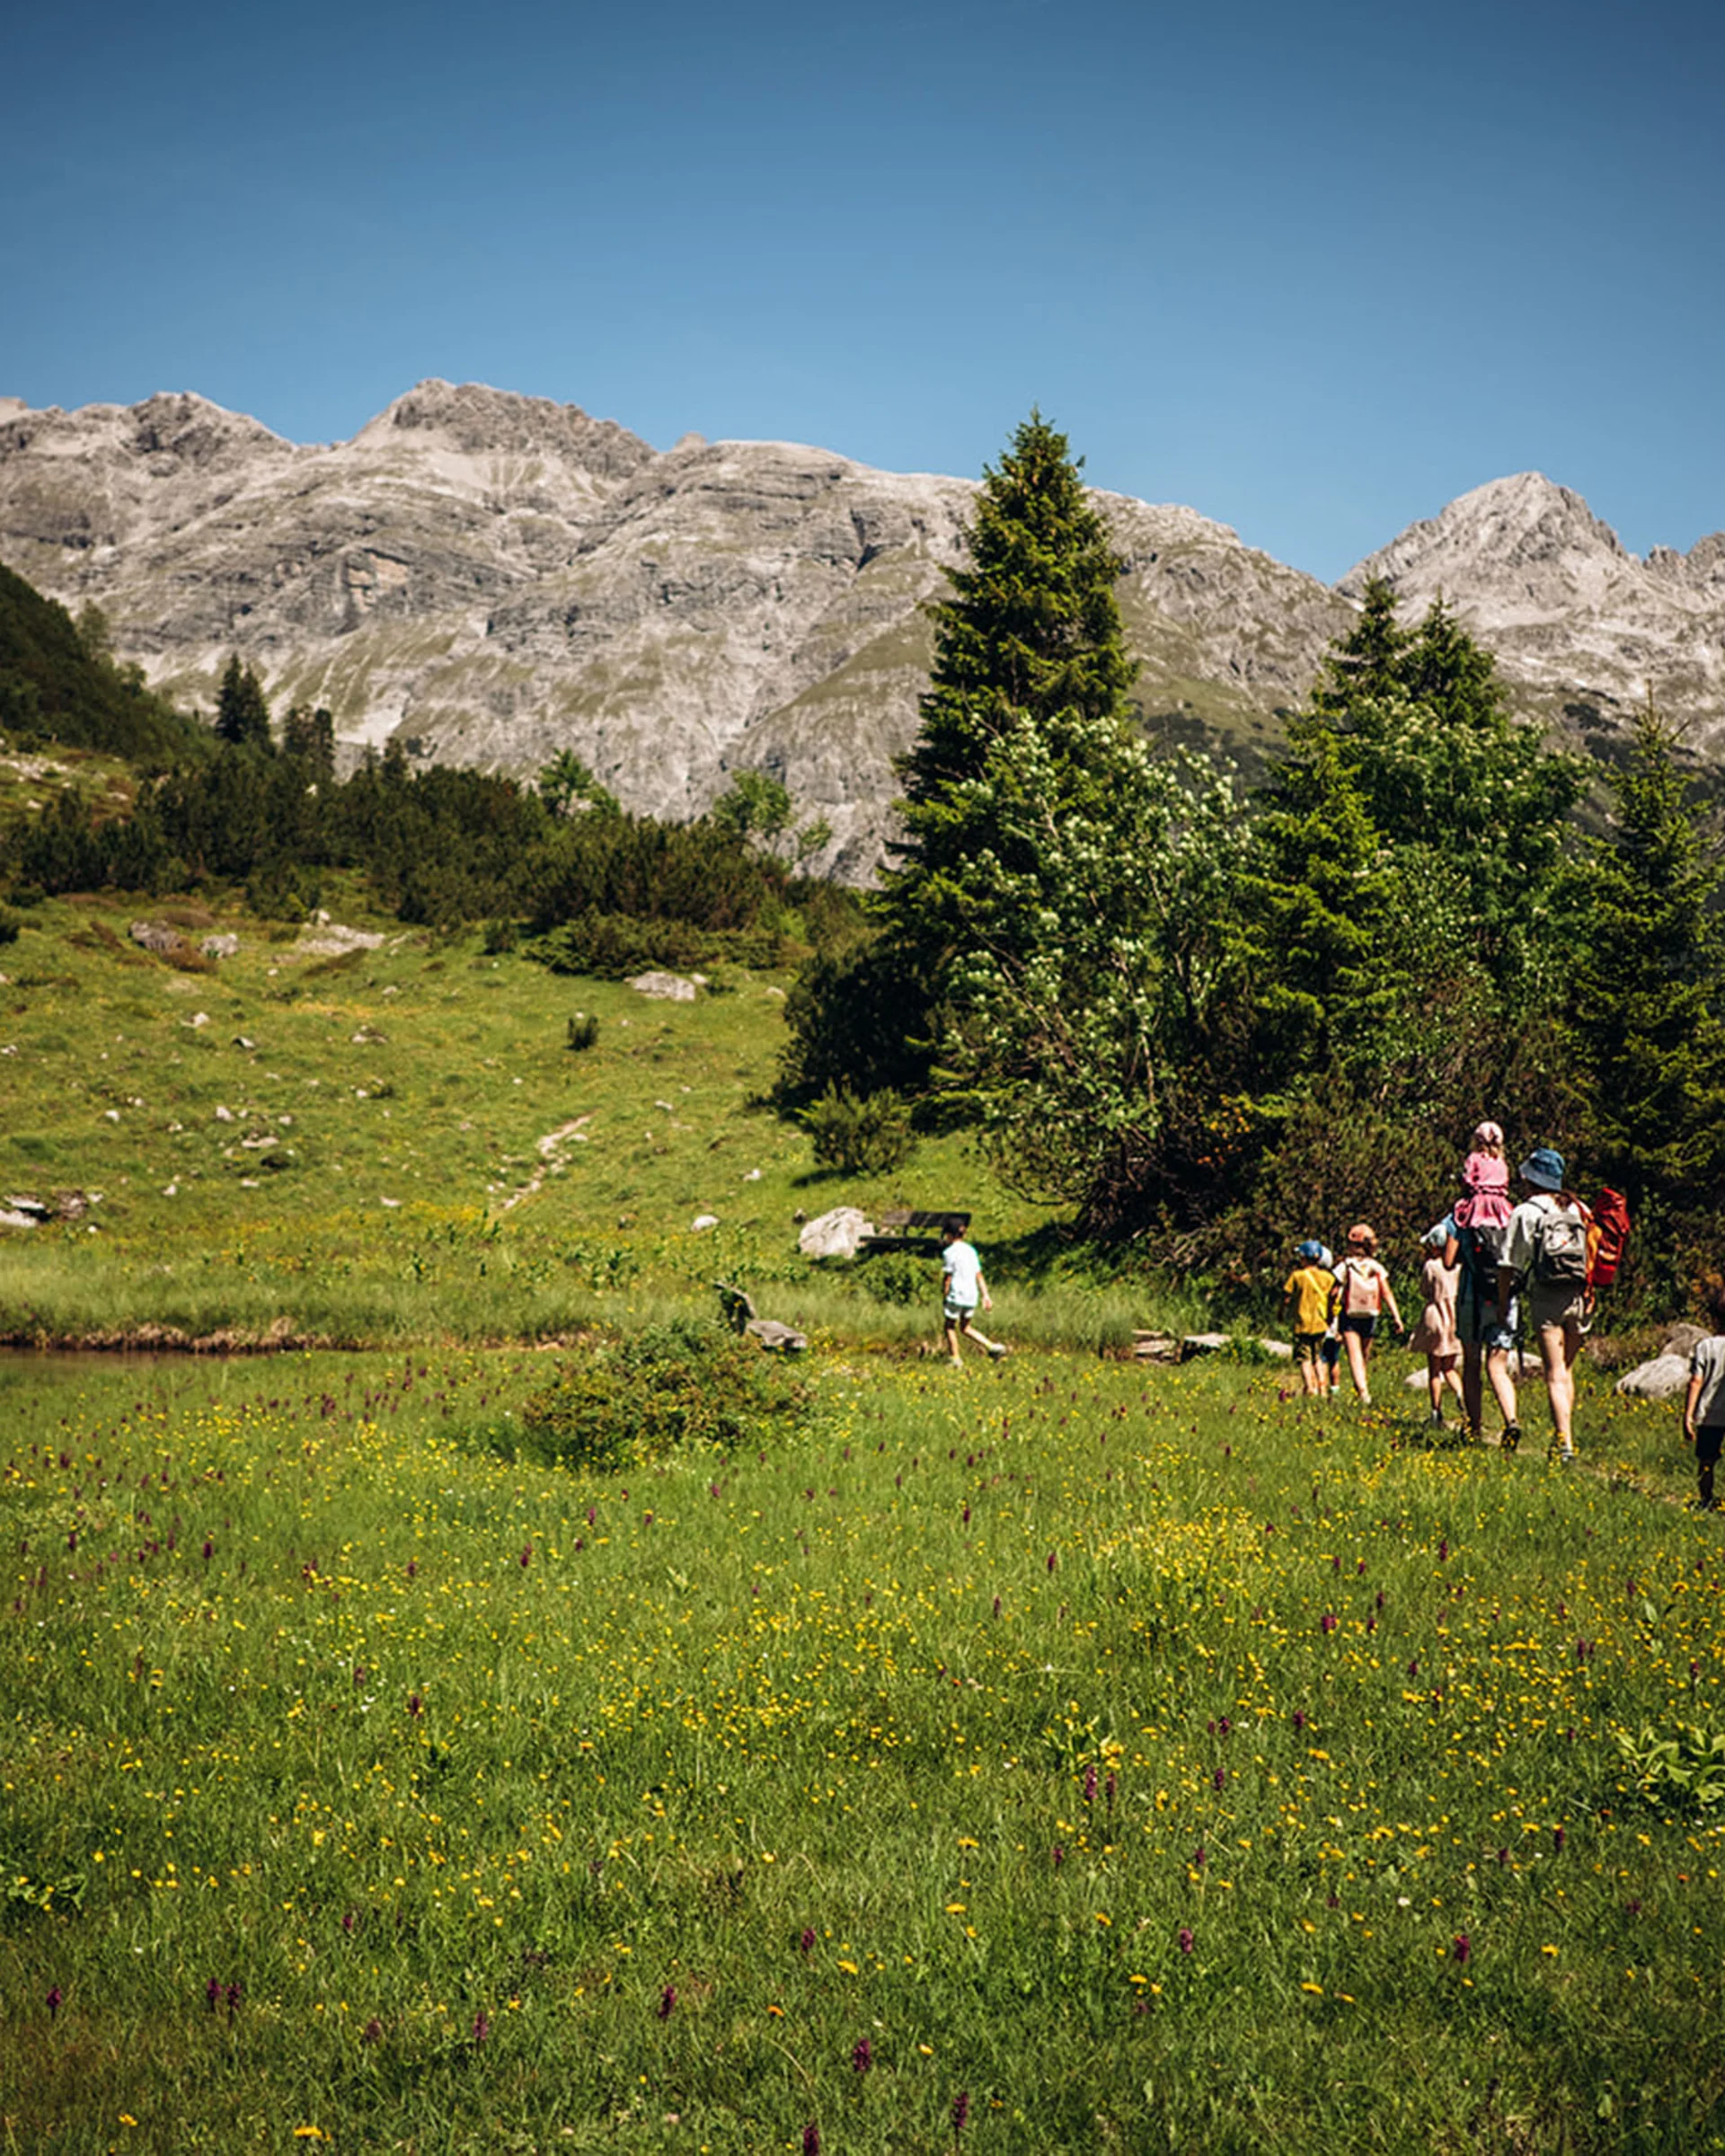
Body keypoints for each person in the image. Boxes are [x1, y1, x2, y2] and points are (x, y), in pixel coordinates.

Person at [1498, 1146, 1592, 1465]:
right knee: (1566, 1369)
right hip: (1578, 1296)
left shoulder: (1525, 1212)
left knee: (1553, 1374)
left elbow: (1508, 1263)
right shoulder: (1577, 1208)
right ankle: (1564, 1436)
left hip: (1546, 1296)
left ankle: (1564, 1445)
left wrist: (1502, 1305)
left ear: (1531, 1180)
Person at [1330, 1224, 1404, 1406]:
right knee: (1364, 1355)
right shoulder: (1376, 1267)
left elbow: (1333, 1293)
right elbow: (1386, 1292)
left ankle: (1363, 1391)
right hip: (1370, 1314)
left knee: (1354, 1355)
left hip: (1350, 1314)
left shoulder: (1344, 1266)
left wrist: (1330, 1313)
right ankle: (1362, 1389)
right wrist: (1397, 1317)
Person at [1410, 1223, 1464, 1427]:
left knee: (1434, 1369)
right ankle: (1460, 1395)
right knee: (1450, 1367)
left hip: (1435, 1316)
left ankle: (1436, 1411)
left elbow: (1425, 1290)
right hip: (1454, 1318)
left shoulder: (1431, 1266)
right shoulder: (1459, 1268)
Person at [940, 1219, 1007, 1366]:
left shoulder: (949, 1253)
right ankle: (992, 1347)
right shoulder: (971, 1251)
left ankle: (955, 1359)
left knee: (950, 1326)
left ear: (950, 1235)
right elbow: (979, 1275)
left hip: (956, 1294)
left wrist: (944, 1295)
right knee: (965, 1327)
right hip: (971, 1295)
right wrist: (986, 1296)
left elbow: (948, 1278)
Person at [1681, 1299, 1725, 1511]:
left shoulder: (1706, 1346)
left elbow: (1696, 1381)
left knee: (1706, 1460)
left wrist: (1688, 1415)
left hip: (1709, 1414)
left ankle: (1706, 1499)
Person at [1284, 1239, 1335, 1398]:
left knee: (1305, 1358)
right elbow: (1333, 1298)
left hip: (1302, 1323)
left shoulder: (1297, 1276)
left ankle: (1310, 1387)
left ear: (1304, 1257)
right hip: (1321, 1323)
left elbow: (1286, 1297)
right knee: (1319, 1357)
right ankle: (1322, 1388)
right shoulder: (1328, 1278)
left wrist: (1282, 1312)